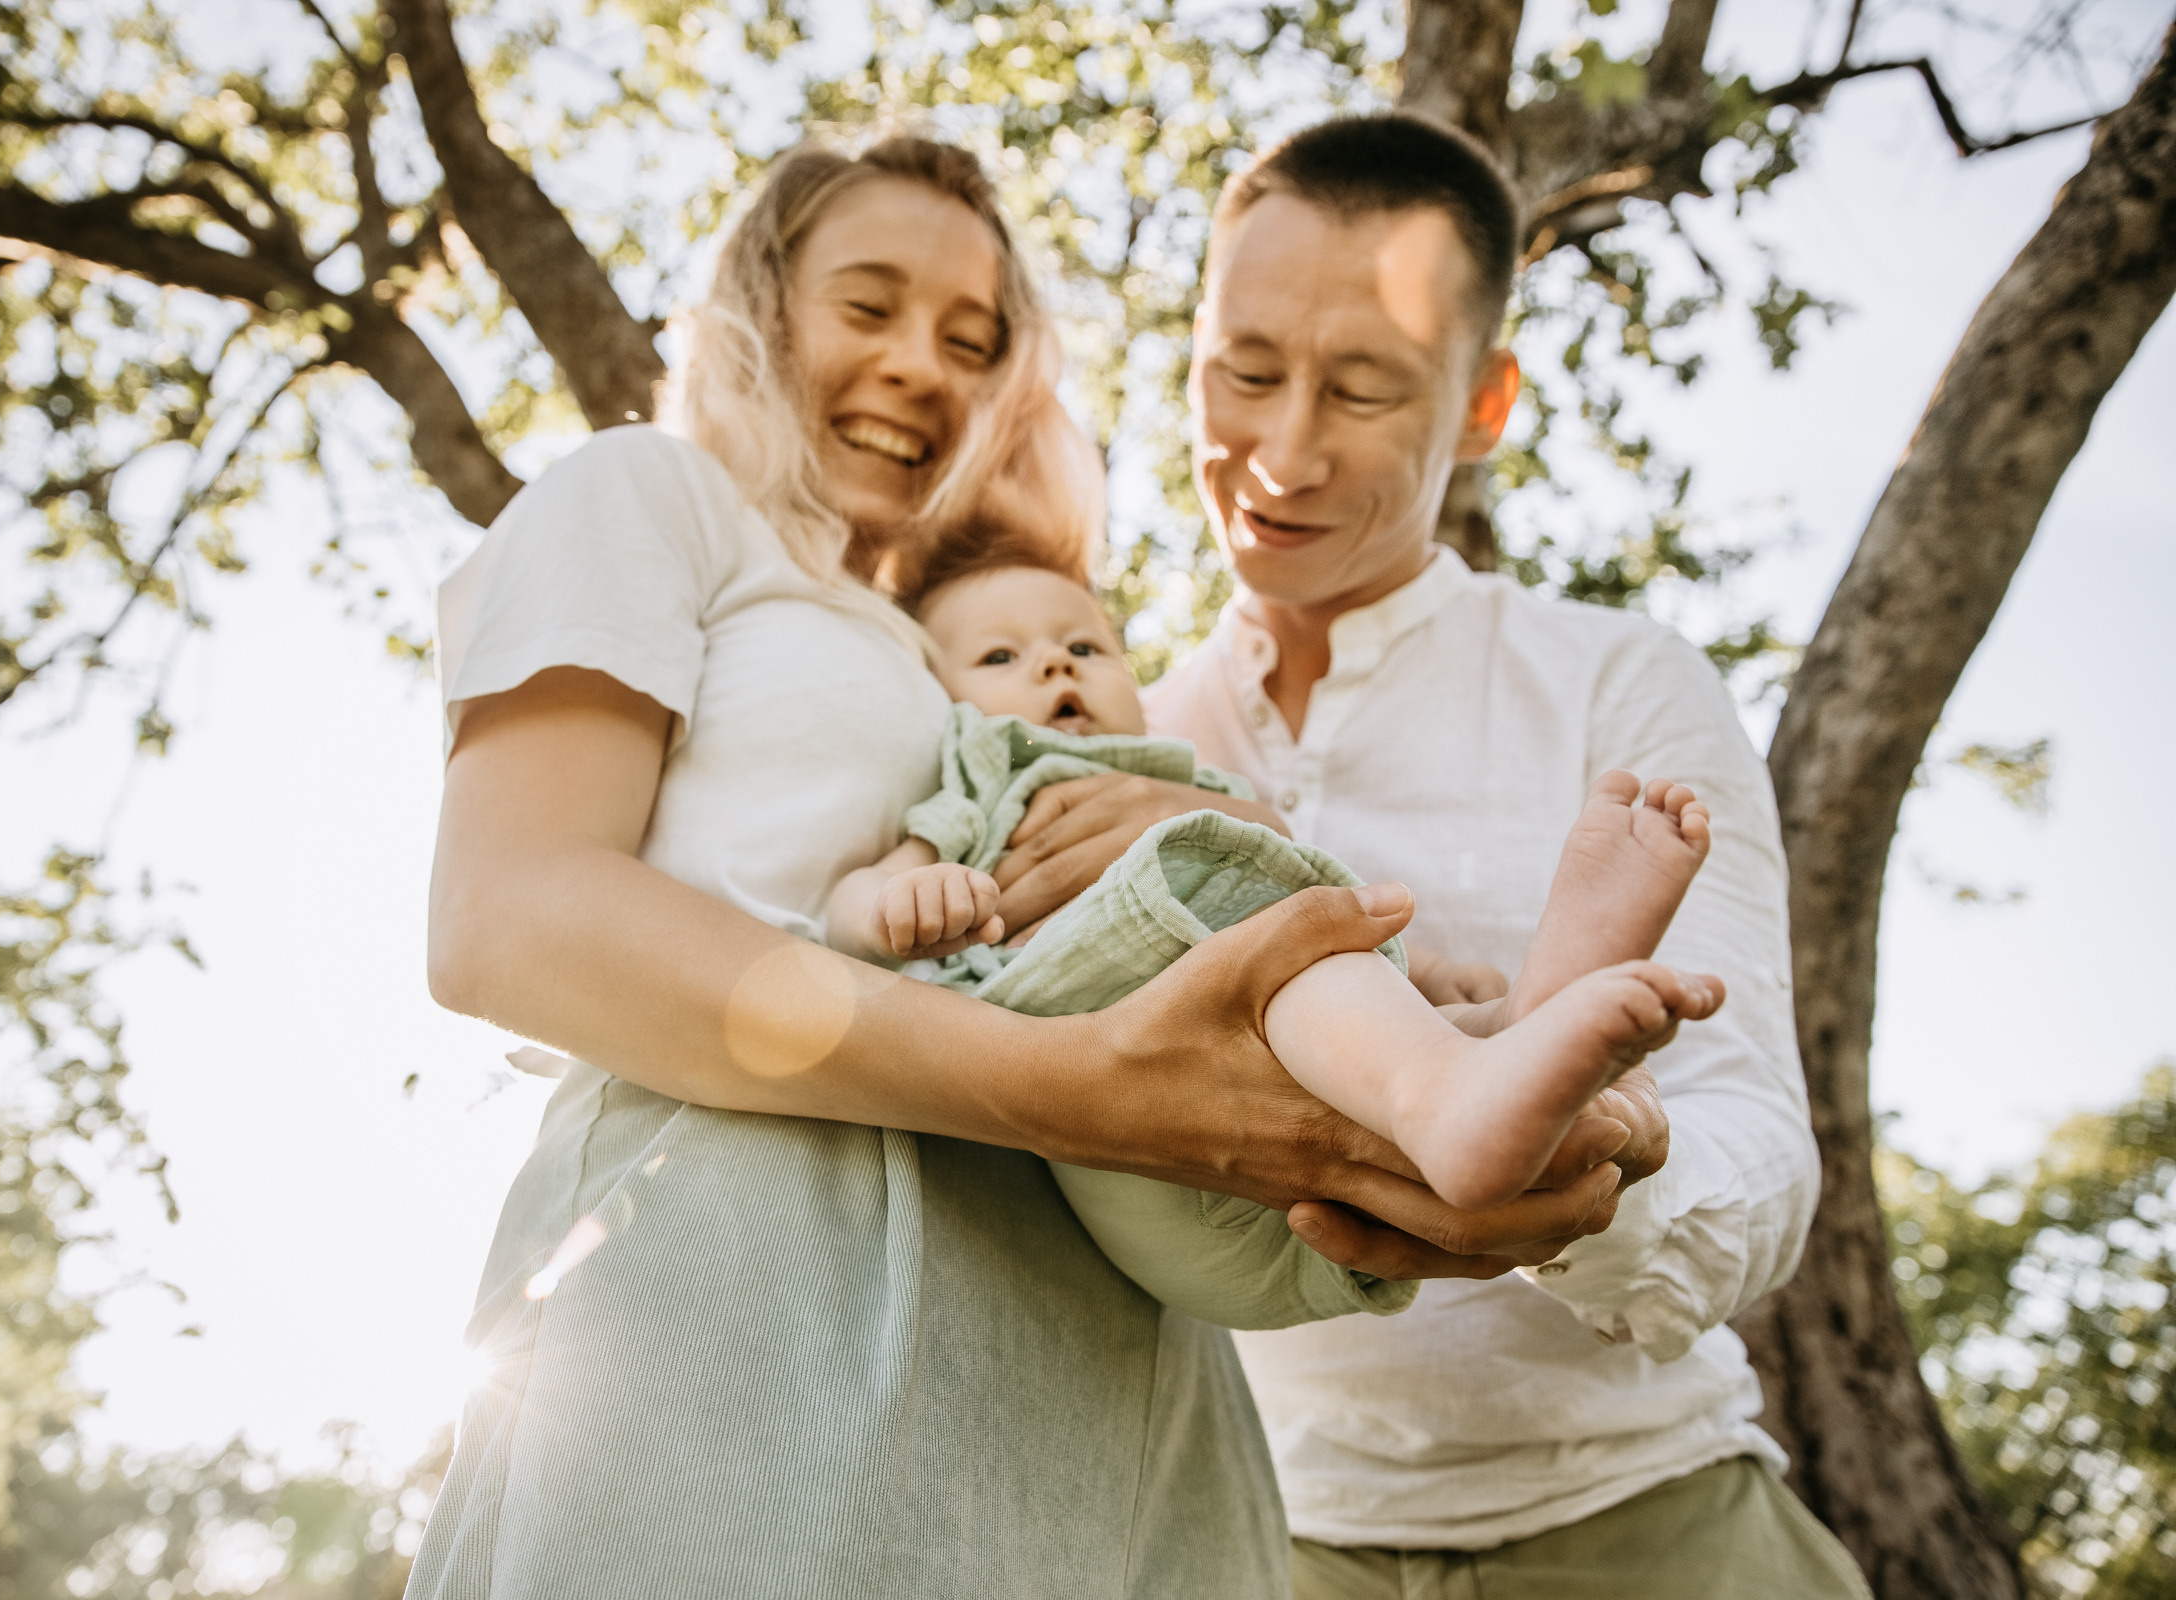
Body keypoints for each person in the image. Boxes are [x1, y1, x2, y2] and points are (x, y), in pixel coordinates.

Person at [405, 131, 1643, 1600]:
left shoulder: (960, 635)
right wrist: (1076, 1087)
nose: (925, 364)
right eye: (869, 307)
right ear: (755, 307)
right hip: (764, 1290)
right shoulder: (649, 496)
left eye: (970, 337)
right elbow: (510, 917)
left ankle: (1493, 1080)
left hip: (1104, 1349)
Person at [982, 112, 1863, 1596]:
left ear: (1482, 405)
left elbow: (1758, 1154)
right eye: (1244, 371)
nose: (1282, 448)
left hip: (1650, 1522)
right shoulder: (1102, 730)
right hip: (1259, 1545)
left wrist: (1594, 1182)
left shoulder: (1619, 688)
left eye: (1365, 388)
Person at [827, 547, 1723, 1232]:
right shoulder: (984, 785)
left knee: (1322, 963)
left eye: (1083, 646)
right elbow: (856, 898)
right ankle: (1450, 1094)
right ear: (940, 703)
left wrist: (1432, 970)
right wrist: (902, 903)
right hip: (1114, 1101)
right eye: (1000, 657)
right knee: (1290, 964)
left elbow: (1318, 910)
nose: (1057, 668)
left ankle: (1516, 1020)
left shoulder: (1188, 776)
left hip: (1282, 1108)